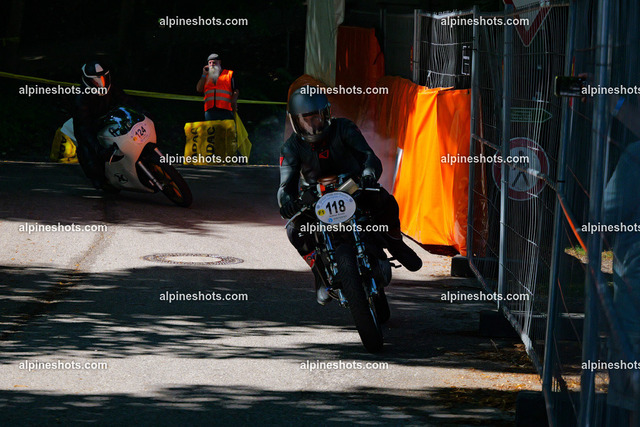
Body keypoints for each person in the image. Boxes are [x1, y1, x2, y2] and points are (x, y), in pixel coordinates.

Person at [278, 85, 422, 305]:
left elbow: (368, 156)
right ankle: (319, 272)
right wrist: (287, 202)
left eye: (316, 118)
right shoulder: (290, 148)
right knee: (294, 230)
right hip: (315, 198)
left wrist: (368, 173)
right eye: (305, 120)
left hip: (353, 187)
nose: (312, 125)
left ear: (326, 114)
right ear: (295, 122)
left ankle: (395, 242)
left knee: (385, 201)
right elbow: (285, 186)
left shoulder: (344, 127)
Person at [74, 60, 142, 190]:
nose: (100, 82)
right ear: (88, 81)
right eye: (95, 80)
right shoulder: (81, 98)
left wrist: (142, 112)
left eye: (102, 78)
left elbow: (126, 100)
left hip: (111, 120)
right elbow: (84, 128)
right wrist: (98, 149)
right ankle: (99, 178)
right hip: (91, 126)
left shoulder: (112, 88)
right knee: (88, 154)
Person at [196, 53, 239, 121]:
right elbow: (199, 89)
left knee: (227, 128)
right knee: (211, 128)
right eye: (210, 63)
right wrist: (203, 74)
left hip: (226, 110)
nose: (212, 64)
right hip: (210, 110)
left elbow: (236, 90)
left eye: (214, 62)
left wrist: (234, 101)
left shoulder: (229, 74)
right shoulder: (205, 76)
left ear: (219, 62)